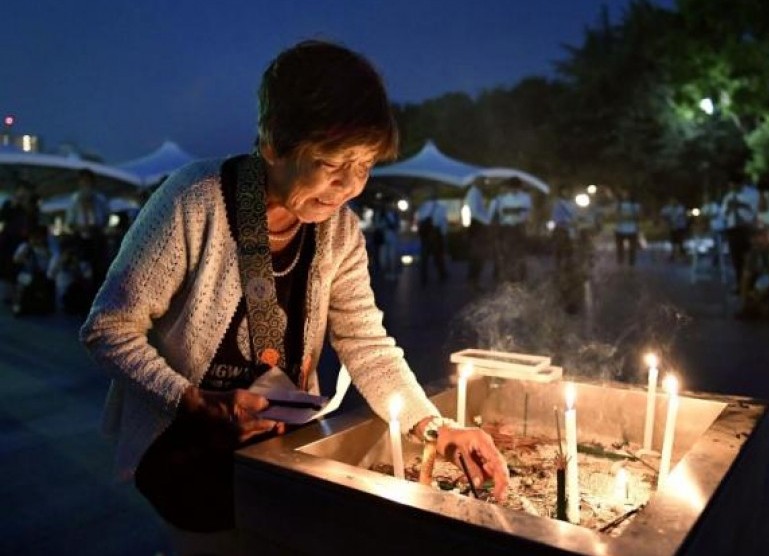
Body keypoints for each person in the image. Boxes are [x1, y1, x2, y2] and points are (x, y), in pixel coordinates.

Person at [79, 41, 508, 554]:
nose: (349, 185)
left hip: (280, 450)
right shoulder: (194, 201)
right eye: (331, 161)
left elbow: (366, 342)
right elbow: (107, 329)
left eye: (365, 165)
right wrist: (193, 400)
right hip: (185, 453)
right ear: (273, 145)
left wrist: (434, 428)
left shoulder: (340, 232)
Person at [65, 169, 110, 286]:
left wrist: (98, 227)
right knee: (83, 269)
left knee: (99, 268)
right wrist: (79, 228)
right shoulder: (74, 200)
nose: (86, 184)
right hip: (81, 239)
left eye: (88, 181)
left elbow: (106, 216)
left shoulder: (100, 199)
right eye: (83, 181)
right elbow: (69, 222)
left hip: (97, 238)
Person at [721, 173, 760, 290]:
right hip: (733, 228)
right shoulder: (728, 196)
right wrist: (729, 208)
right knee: (736, 258)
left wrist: (741, 205)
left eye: (735, 186)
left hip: (748, 228)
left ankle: (751, 285)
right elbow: (723, 214)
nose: (732, 188)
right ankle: (740, 284)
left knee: (750, 258)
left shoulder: (753, 194)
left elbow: (757, 210)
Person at [490, 177, 532, 282]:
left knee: (520, 253)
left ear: (520, 187)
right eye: (512, 188)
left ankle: (522, 277)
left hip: (519, 227)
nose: (514, 190)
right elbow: (502, 213)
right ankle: (509, 278)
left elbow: (526, 213)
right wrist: (517, 210)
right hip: (507, 228)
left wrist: (513, 211)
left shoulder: (525, 197)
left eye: (516, 188)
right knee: (507, 253)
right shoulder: (503, 198)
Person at [11, 224, 54, 316]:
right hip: (27, 273)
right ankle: (18, 306)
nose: (38, 239)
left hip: (41, 275)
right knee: (22, 286)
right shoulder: (25, 246)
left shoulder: (47, 248)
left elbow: (50, 261)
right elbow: (16, 259)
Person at [415, 190, 449, 285]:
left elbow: (419, 219)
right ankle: (442, 274)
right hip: (436, 234)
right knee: (438, 255)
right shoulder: (441, 207)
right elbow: (443, 222)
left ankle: (423, 277)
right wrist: (444, 234)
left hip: (425, 235)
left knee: (424, 257)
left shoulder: (423, 207)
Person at [462, 182, 491, 288]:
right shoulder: (474, 192)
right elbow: (475, 212)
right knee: (478, 254)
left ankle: (474, 280)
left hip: (478, 226)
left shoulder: (476, 192)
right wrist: (487, 221)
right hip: (478, 226)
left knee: (478, 254)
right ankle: (473, 280)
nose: (486, 184)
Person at [550, 185, 576, 269]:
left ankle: (568, 266)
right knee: (560, 249)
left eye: (568, 191)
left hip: (570, 229)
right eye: (564, 191)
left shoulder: (572, 203)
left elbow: (575, 215)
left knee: (569, 249)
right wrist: (566, 222)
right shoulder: (558, 203)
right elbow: (555, 217)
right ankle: (558, 266)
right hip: (561, 229)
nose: (566, 193)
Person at [613, 188, 640, 266]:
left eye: (627, 194)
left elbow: (638, 216)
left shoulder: (635, 205)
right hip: (620, 229)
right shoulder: (618, 205)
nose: (625, 195)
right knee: (620, 247)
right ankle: (620, 261)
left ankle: (631, 262)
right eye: (623, 194)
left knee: (632, 247)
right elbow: (615, 215)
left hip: (632, 229)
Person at [659, 197, 688, 262]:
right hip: (672, 227)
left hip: (680, 227)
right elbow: (663, 214)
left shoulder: (680, 208)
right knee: (673, 242)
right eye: (672, 201)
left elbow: (681, 216)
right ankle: (673, 255)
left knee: (680, 241)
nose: (673, 203)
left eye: (675, 201)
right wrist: (666, 219)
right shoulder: (668, 208)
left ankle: (684, 255)